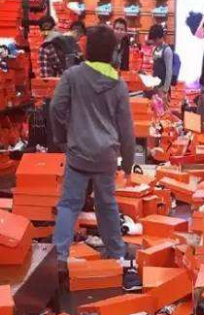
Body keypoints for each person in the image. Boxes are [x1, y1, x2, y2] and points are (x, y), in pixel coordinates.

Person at [50, 25, 141, 291]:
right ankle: (117, 254)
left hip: (78, 152)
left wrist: (63, 137)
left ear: (86, 48)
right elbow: (127, 129)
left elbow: (56, 107)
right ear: (113, 52)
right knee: (106, 204)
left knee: (69, 205)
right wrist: (128, 163)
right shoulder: (118, 84)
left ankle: (59, 257)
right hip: (106, 156)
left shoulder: (73, 76)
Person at [148, 24, 173, 97]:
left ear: (160, 37)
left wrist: (165, 90)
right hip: (155, 86)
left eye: (155, 40)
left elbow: (169, 72)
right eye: (153, 40)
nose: (154, 42)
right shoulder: (155, 49)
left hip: (163, 87)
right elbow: (155, 68)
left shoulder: (167, 50)